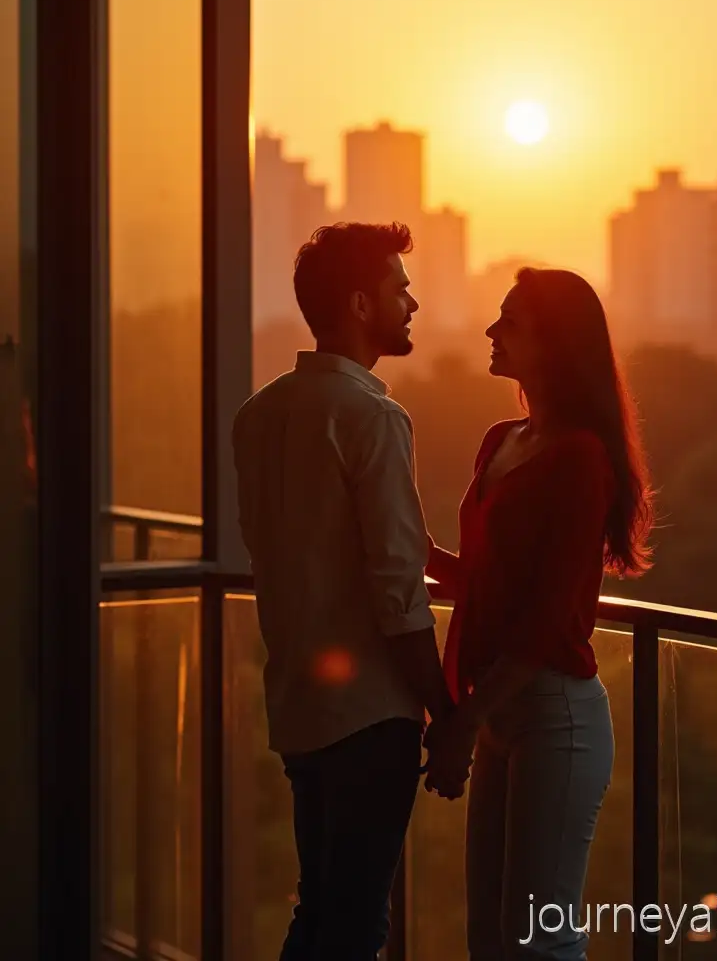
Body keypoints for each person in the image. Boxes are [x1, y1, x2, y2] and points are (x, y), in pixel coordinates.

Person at [232, 221, 461, 961]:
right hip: (370, 717)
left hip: (299, 703)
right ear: (362, 304)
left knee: (322, 911)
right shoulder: (373, 417)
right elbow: (399, 589)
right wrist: (445, 710)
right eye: (400, 289)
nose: (413, 302)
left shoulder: (259, 417)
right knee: (357, 924)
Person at [424, 266, 653, 960]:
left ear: (554, 343)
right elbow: (491, 585)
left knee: (538, 945)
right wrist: (413, 548)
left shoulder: (581, 458)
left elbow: (547, 618)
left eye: (510, 321)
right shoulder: (501, 440)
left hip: (555, 717)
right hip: (498, 712)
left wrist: (461, 724)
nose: (491, 331)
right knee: (490, 941)